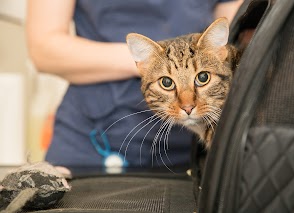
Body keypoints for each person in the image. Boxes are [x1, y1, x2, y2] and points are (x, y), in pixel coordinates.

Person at [26, 0, 243, 169]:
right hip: (93, 144)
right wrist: (153, 64)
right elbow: (43, 49)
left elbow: (235, 28)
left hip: (193, 146)